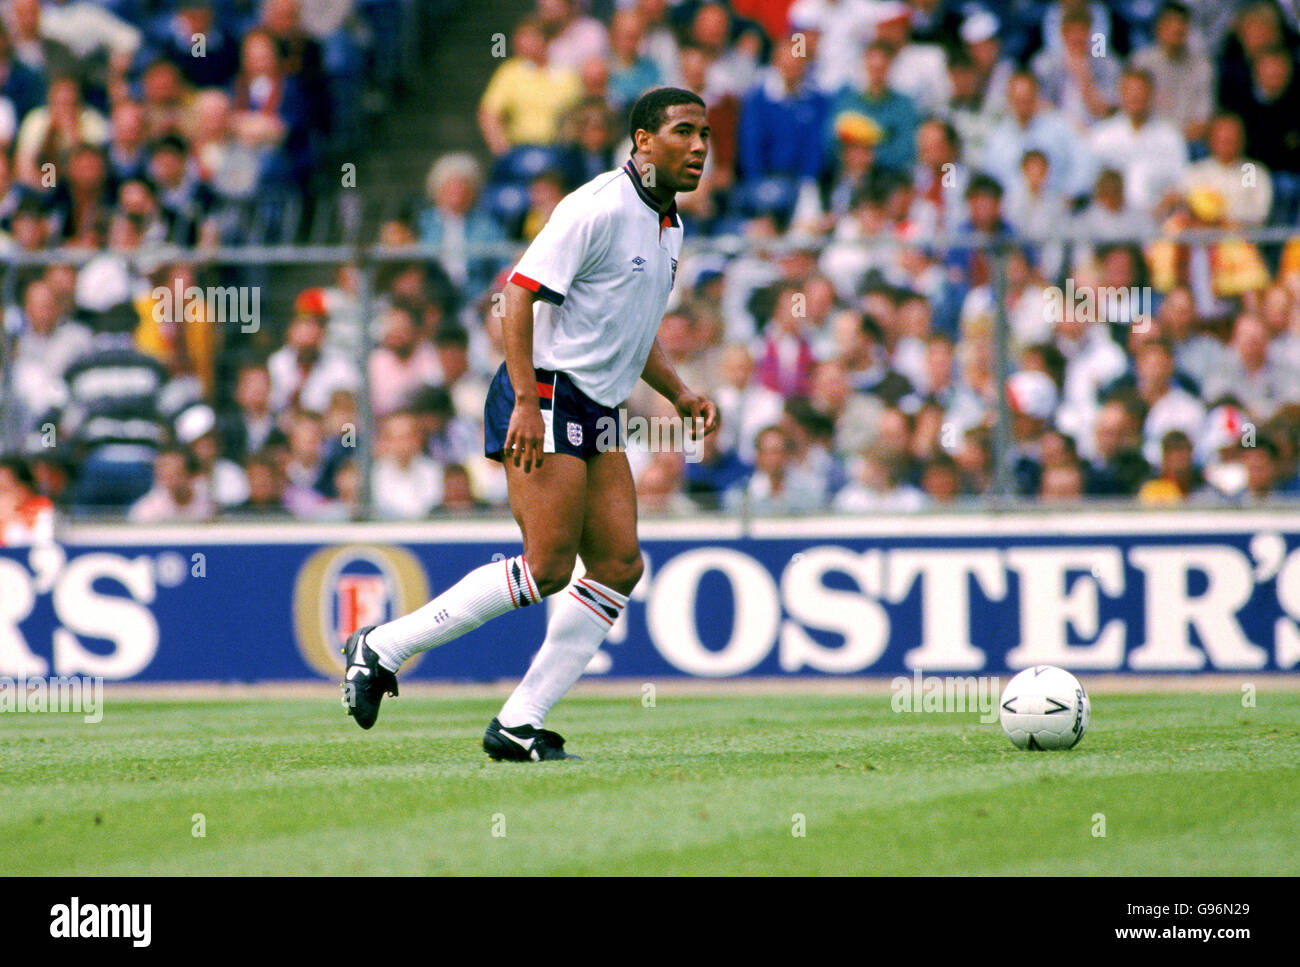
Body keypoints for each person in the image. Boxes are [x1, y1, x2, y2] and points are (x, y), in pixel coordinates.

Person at [341, 88, 718, 761]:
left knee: (619, 563)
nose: (698, 147)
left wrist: (680, 390)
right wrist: (523, 398)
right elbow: (518, 295)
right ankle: (380, 647)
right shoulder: (598, 206)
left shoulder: (670, 226)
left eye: (704, 135)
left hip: (596, 404)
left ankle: (518, 723)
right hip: (545, 391)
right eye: (684, 132)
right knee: (547, 566)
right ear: (642, 141)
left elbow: (634, 327)